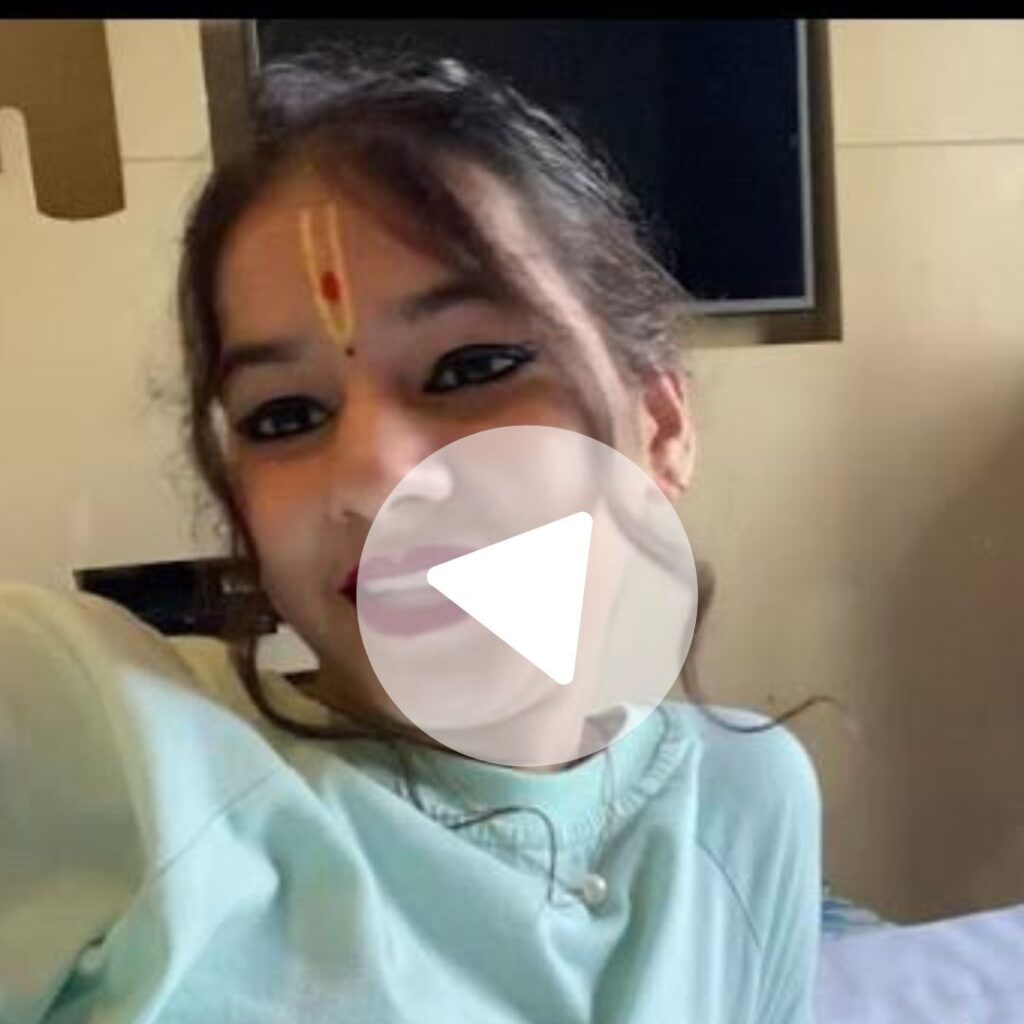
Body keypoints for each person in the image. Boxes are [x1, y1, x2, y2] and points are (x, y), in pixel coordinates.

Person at [0, 47, 821, 1023]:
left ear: (662, 427)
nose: (371, 477)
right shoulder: (96, 733)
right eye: (283, 416)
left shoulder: (747, 803)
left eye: (471, 366)